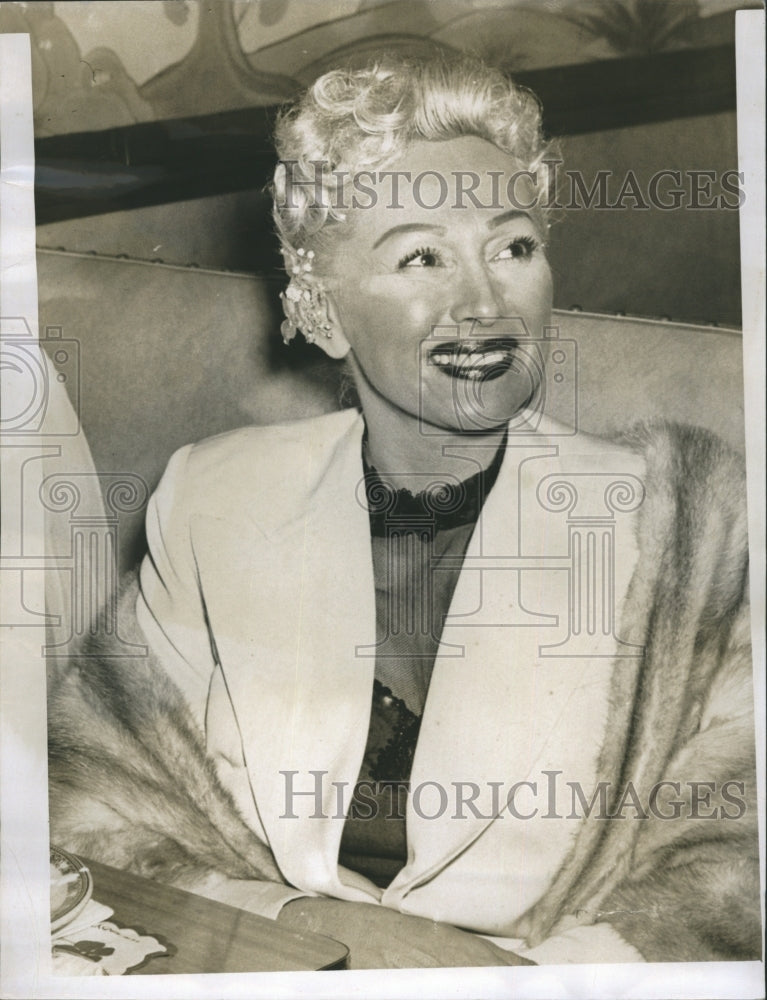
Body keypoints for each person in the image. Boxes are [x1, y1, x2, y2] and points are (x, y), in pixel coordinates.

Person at [48, 53, 760, 968]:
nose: (482, 303)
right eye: (421, 256)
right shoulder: (214, 499)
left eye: (513, 248)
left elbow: (738, 868)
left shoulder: (686, 527)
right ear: (324, 311)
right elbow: (96, 808)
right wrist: (313, 932)